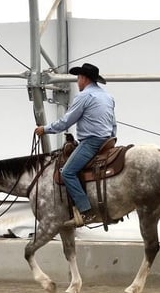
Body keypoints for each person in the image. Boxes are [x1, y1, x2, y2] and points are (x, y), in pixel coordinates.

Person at [34, 62, 117, 227]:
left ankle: (86, 211)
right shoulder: (108, 97)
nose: (78, 82)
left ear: (84, 79)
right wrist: (111, 139)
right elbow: (113, 124)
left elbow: (66, 122)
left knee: (67, 172)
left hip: (92, 142)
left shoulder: (84, 96)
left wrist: (45, 129)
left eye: (78, 78)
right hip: (108, 141)